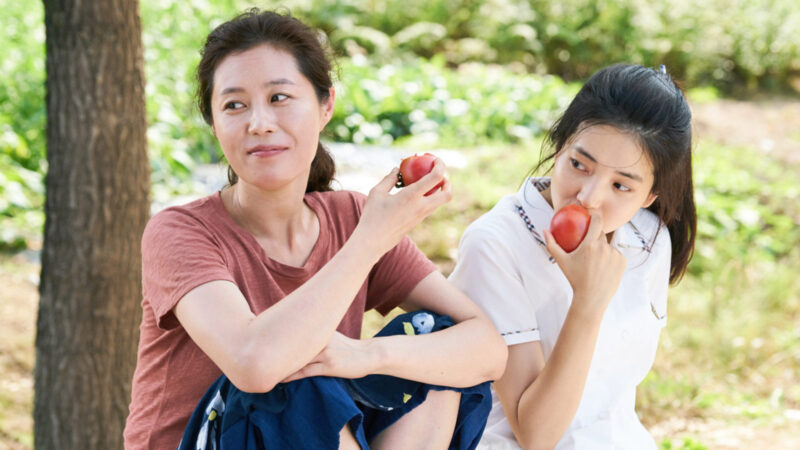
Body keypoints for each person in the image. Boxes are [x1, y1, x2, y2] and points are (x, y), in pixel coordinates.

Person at [123, 8, 507, 449]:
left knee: (433, 343)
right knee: (295, 378)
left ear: (326, 106)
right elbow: (254, 364)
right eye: (234, 105)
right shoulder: (179, 233)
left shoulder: (350, 217)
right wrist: (370, 242)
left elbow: (488, 350)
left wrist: (364, 356)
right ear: (214, 124)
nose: (259, 123)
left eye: (279, 98)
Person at [448, 63, 697, 449]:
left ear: (650, 196)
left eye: (621, 185)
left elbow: (611, 400)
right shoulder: (494, 243)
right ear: (559, 145)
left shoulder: (649, 241)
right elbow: (536, 435)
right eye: (579, 165)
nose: (589, 197)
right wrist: (588, 303)